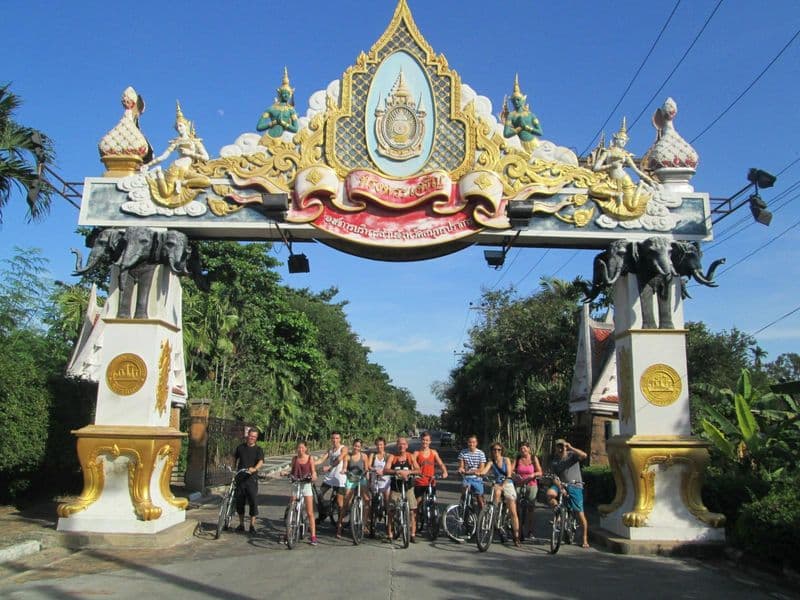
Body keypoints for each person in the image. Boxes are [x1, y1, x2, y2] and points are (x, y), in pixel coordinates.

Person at [141, 101, 210, 206]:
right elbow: (163, 157)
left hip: (185, 171)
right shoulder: (176, 142)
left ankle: (182, 183)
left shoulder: (195, 142)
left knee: (206, 181)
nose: (179, 129)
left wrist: (190, 153)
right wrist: (148, 165)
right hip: (175, 167)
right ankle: (158, 172)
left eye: (181, 126)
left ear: (186, 126)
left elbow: (206, 157)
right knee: (166, 194)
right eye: (177, 127)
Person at [590, 117, 656, 213]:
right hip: (611, 182)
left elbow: (636, 170)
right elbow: (595, 168)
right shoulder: (607, 153)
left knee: (632, 207)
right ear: (615, 139)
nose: (623, 142)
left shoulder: (625, 155)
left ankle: (640, 185)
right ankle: (616, 195)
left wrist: (650, 181)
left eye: (625, 141)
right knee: (593, 190)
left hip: (625, 180)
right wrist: (611, 165)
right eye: (621, 140)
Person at [547, 438, 589, 548]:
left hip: (575, 485)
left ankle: (585, 538)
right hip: (561, 485)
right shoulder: (555, 461)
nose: (561, 448)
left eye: (563, 446)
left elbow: (584, 455)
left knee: (579, 513)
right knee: (550, 494)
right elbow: (554, 477)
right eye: (559, 446)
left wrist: (571, 448)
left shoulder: (572, 455)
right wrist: (560, 487)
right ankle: (558, 512)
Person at [481, 442, 521, 547]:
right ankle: (494, 512)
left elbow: (508, 474)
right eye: (494, 450)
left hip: (507, 483)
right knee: (496, 491)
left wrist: (503, 485)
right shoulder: (491, 462)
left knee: (513, 511)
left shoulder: (506, 460)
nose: (496, 452)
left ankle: (516, 536)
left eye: (499, 450)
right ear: (492, 451)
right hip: (497, 484)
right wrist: (478, 473)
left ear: (501, 451)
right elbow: (484, 471)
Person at [413, 431, 448, 539]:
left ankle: (434, 525)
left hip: (430, 482)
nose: (425, 442)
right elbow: (412, 464)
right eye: (423, 440)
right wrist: (413, 473)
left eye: (427, 440)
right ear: (421, 440)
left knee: (433, 503)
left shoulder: (433, 452)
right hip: (420, 482)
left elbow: (440, 463)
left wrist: (444, 471)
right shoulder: (417, 453)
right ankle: (414, 524)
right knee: (416, 504)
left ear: (430, 441)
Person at [384, 437, 420, 542]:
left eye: (404, 444)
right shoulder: (392, 457)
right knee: (391, 511)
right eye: (399, 444)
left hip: (408, 488)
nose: (401, 446)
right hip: (396, 488)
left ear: (407, 446)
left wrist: (409, 472)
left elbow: (418, 470)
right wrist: (396, 472)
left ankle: (412, 534)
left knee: (412, 510)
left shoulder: (410, 456)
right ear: (397, 445)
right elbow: (386, 469)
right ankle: (390, 534)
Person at [233, 428, 264, 533]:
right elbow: (234, 458)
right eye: (251, 436)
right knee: (239, 503)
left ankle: (252, 525)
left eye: (254, 437)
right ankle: (241, 524)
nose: (252, 438)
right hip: (240, 479)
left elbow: (261, 461)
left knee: (253, 502)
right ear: (248, 435)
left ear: (256, 438)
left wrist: (254, 469)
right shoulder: (240, 447)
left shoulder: (258, 449)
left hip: (251, 480)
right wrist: (232, 468)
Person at [288, 440, 318, 545]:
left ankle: (313, 536)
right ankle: (288, 532)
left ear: (306, 448)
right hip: (296, 484)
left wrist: (314, 475)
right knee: (291, 508)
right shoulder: (294, 459)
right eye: (298, 448)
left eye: (302, 448)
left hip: (306, 484)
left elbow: (313, 471)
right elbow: (291, 470)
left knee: (310, 512)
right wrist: (285, 473)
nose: (300, 450)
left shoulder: (310, 458)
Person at [502, 74, 543, 152]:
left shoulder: (530, 115)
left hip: (533, 143)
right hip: (520, 145)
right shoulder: (511, 115)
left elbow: (540, 132)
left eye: (518, 100)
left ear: (523, 100)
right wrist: (519, 128)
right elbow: (506, 134)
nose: (516, 102)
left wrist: (526, 127)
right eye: (514, 101)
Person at [315, 432, 348, 525]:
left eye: (337, 438)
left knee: (339, 501)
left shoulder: (343, 448)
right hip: (330, 477)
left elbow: (340, 459)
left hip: (339, 478)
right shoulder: (330, 450)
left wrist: (329, 467)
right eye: (333, 438)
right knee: (319, 494)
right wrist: (310, 463)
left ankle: (340, 523)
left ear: (340, 439)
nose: (335, 440)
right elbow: (321, 460)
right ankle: (323, 514)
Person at [256, 67, 299, 139]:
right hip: (269, 138)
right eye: (284, 93)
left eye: (288, 94)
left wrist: (283, 123)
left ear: (290, 95)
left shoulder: (291, 110)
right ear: (280, 94)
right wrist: (274, 122)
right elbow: (259, 127)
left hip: (283, 139)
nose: (286, 95)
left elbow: (295, 129)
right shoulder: (271, 109)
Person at [341, 438, 371, 539]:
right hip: (351, 479)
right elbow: (345, 467)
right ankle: (339, 526)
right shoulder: (348, 456)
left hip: (361, 478)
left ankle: (364, 523)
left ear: (360, 447)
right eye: (355, 446)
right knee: (346, 502)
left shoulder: (364, 456)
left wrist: (367, 479)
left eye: (358, 446)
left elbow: (366, 469)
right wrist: (344, 470)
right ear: (352, 445)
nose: (356, 448)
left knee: (367, 500)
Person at [514, 441, 543, 541]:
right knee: (517, 507)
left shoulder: (534, 458)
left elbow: (540, 472)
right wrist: (515, 475)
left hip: (531, 485)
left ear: (529, 449)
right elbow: (512, 470)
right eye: (521, 449)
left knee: (530, 508)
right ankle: (518, 530)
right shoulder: (518, 459)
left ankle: (530, 530)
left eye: (525, 448)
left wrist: (533, 475)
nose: (523, 450)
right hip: (519, 485)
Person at [457, 435, 487, 510]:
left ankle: (482, 514)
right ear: (467, 443)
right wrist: (461, 469)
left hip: (477, 478)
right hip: (467, 478)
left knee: (479, 496)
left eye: (473, 442)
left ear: (476, 443)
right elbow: (461, 466)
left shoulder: (481, 453)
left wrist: (475, 472)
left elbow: (481, 468)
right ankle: (462, 507)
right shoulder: (463, 452)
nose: (471, 444)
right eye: (470, 442)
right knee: (464, 490)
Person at [369, 436, 392, 534]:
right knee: (373, 503)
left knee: (387, 502)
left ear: (384, 445)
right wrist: (374, 470)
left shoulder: (388, 456)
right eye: (378, 445)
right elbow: (369, 466)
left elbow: (389, 467)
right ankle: (371, 525)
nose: (379, 447)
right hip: (375, 482)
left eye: (381, 445)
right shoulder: (372, 455)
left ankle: (388, 524)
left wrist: (383, 471)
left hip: (385, 482)